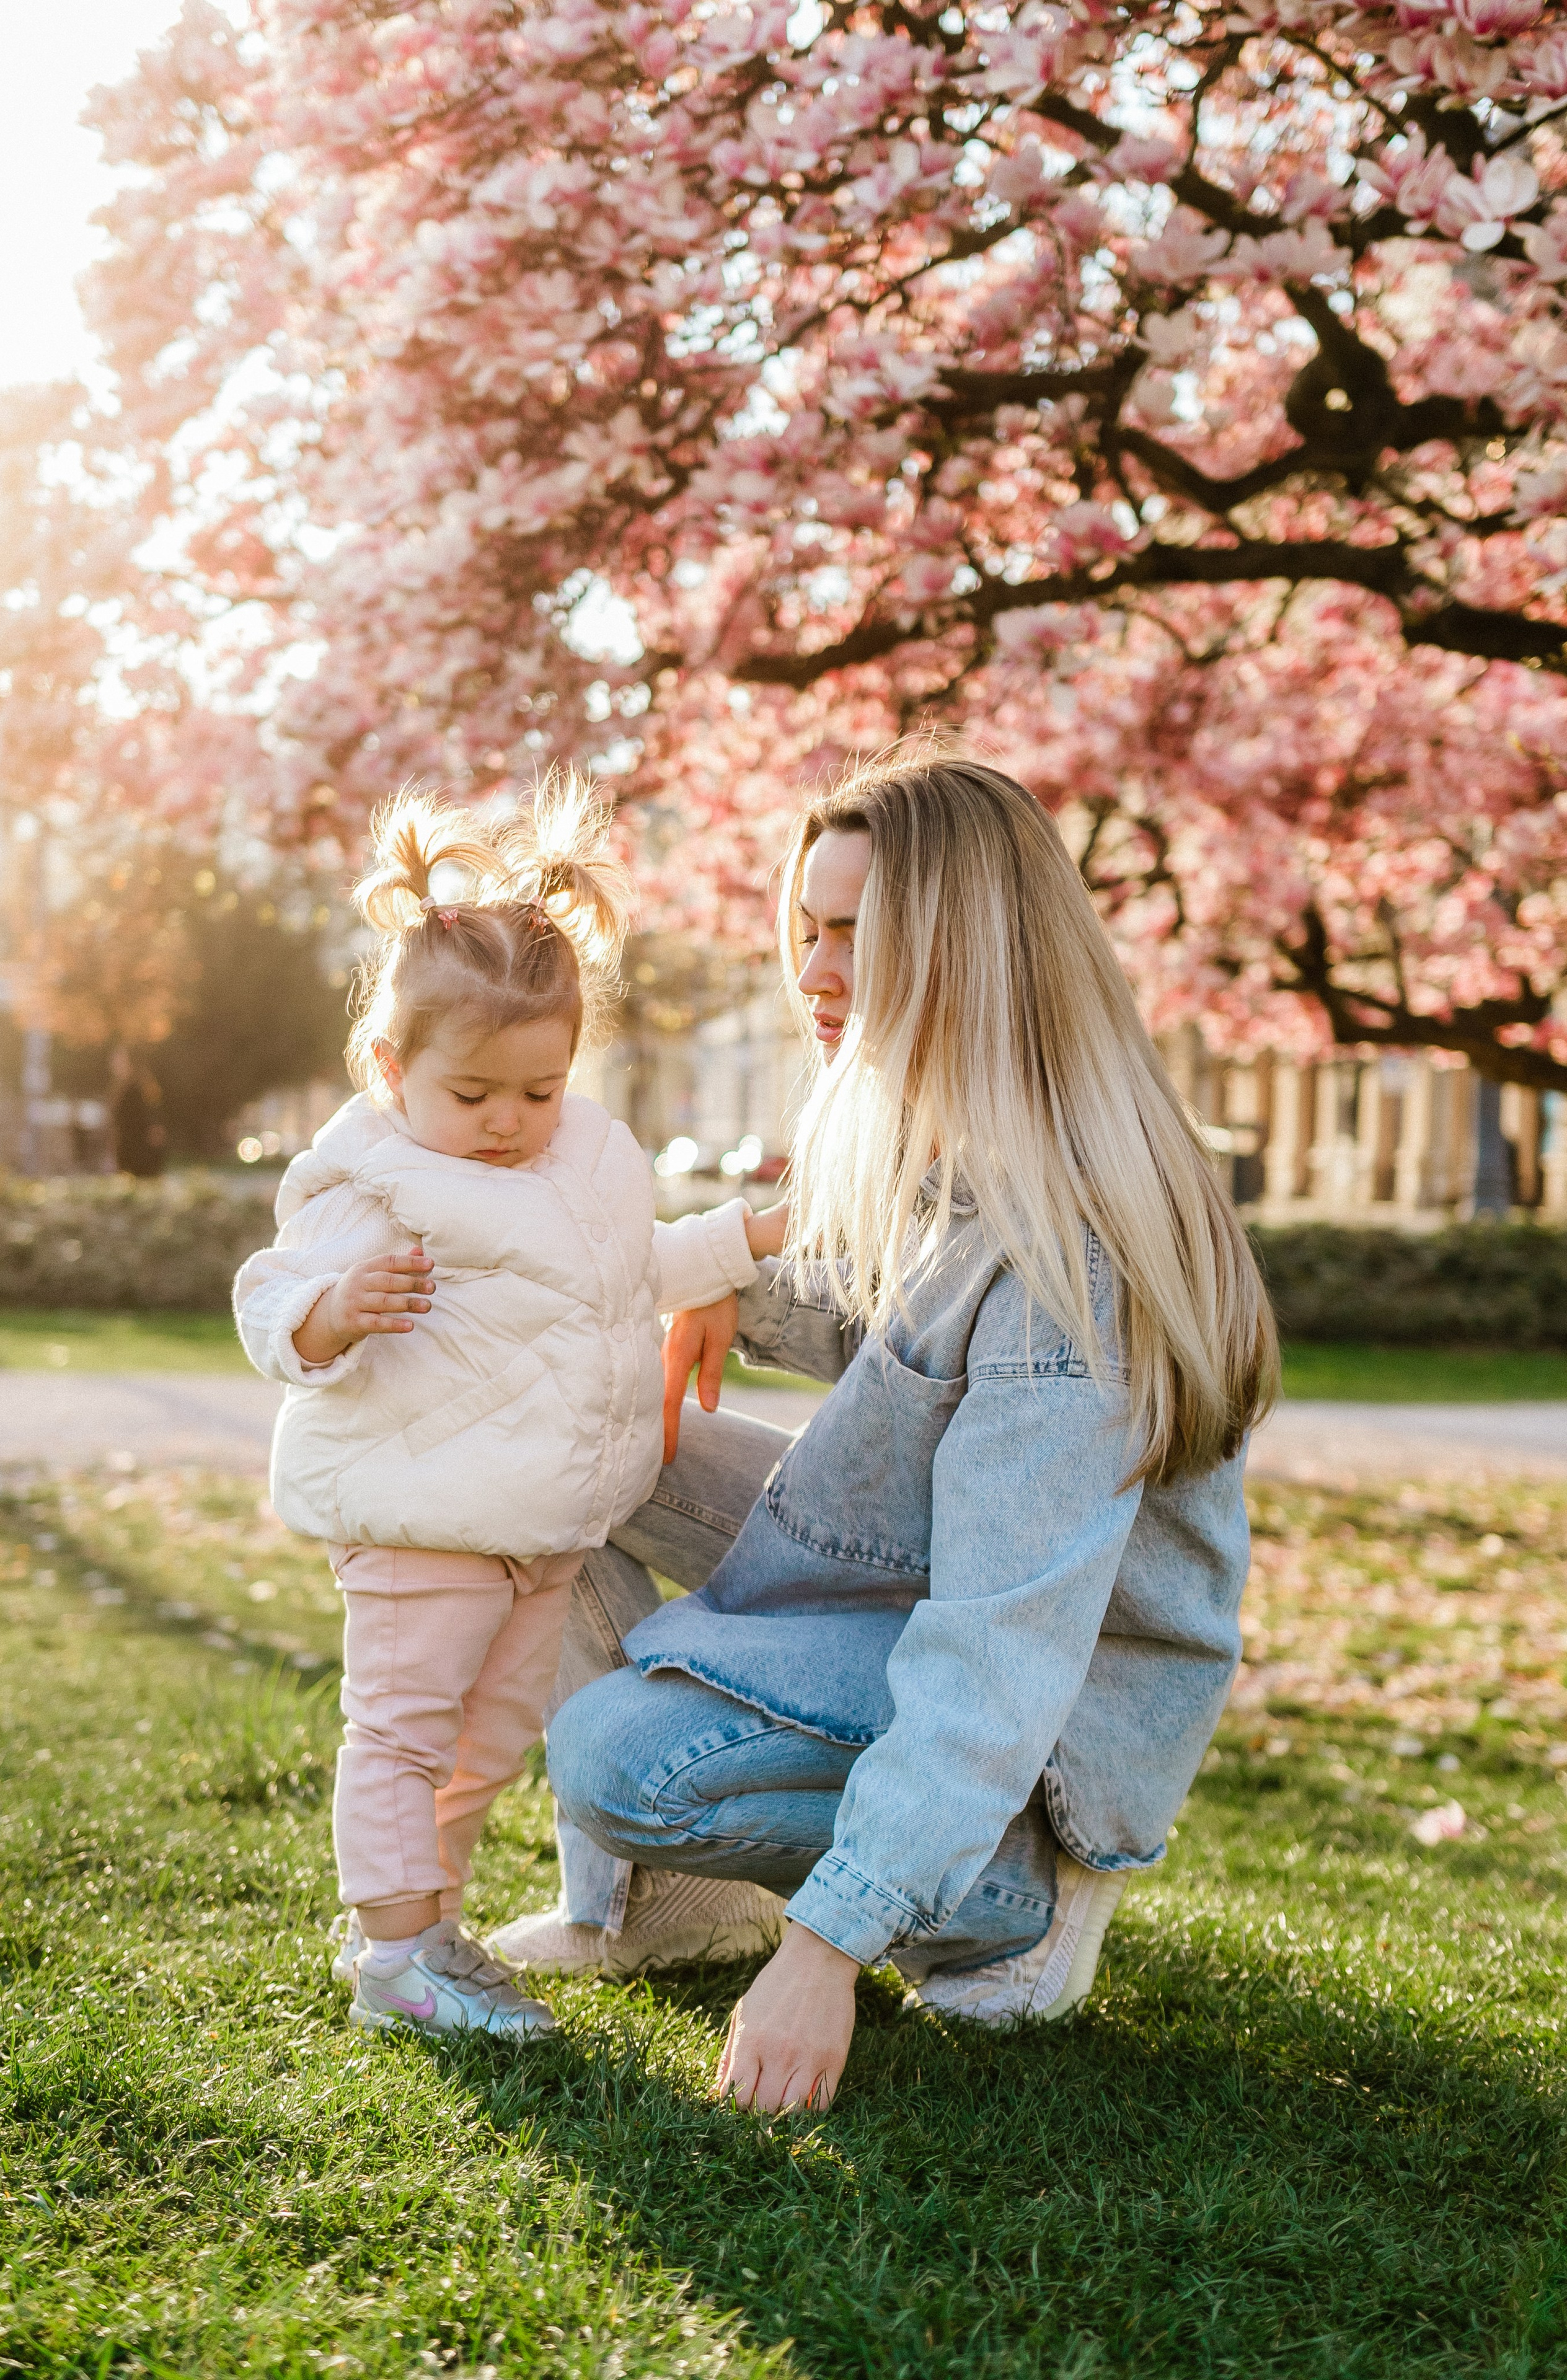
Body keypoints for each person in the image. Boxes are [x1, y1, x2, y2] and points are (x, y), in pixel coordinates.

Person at [510, 755, 1276, 2110]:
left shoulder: (1067, 1259)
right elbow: (857, 1301)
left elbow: (999, 1656)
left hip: (1042, 1728)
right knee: (560, 1424)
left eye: (855, 930)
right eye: (806, 925)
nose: (812, 965)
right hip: (920, 1580)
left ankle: (1007, 1903)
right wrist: (718, 1293)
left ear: (967, 945)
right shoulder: (956, 1143)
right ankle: (659, 1906)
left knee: (622, 1753)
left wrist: (824, 1950)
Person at [233, 780, 785, 2041]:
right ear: (391, 1067)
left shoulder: (580, 1153)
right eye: (473, 1093)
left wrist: (747, 1237)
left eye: (536, 1092)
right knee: (402, 1735)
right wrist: (330, 1310)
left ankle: (422, 1923)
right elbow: (271, 1300)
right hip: (419, 1516)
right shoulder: (370, 1172)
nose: (506, 1123)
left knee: (484, 1746)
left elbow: (631, 1269)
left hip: (539, 1529)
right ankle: (392, 1956)